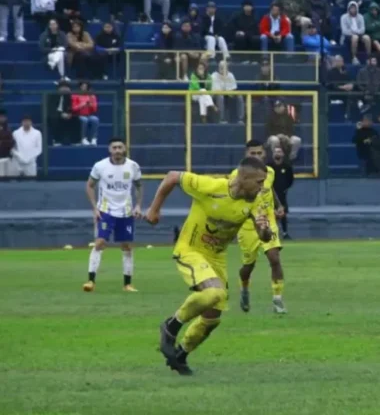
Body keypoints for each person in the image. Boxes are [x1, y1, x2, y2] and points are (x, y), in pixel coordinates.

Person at [148, 158, 272, 375]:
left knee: (212, 318)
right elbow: (172, 177)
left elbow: (264, 235)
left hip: (216, 258)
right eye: (259, 182)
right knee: (214, 293)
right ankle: (171, 326)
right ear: (243, 178)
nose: (262, 187)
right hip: (191, 250)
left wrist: (264, 231)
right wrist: (154, 210)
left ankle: (180, 355)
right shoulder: (211, 187)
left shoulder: (255, 200)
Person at [233, 140, 287, 314]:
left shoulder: (269, 172)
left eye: (259, 153)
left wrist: (278, 205)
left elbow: (269, 189)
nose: (256, 156)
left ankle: (277, 299)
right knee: (248, 267)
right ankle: (244, 288)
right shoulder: (236, 175)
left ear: (264, 154)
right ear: (246, 154)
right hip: (247, 226)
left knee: (274, 258)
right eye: (252, 153)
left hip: (268, 221)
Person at [83, 138, 143, 293]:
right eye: (114, 147)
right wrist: (95, 208)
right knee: (100, 242)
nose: (117, 150)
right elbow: (89, 186)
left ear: (125, 149)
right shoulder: (100, 166)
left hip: (126, 212)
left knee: (127, 246)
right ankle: (90, 281)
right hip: (106, 211)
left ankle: (127, 284)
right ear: (110, 150)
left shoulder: (133, 166)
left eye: (120, 147)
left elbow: (139, 186)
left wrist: (138, 205)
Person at [0, 108, 11, 177]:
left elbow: (12, 142)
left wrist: (2, 142)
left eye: (3, 117)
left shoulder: (8, 129)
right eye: (0, 117)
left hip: (6, 157)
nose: (1, 118)